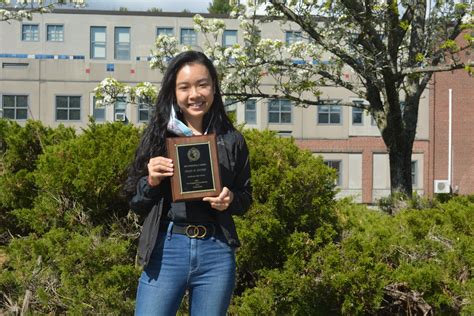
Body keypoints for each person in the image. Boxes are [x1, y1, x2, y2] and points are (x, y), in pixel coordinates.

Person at [126, 50, 252, 315]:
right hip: (167, 248)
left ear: (214, 88)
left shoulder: (232, 140)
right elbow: (136, 202)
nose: (194, 94)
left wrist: (230, 200)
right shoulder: (159, 138)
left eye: (202, 84)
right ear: (174, 93)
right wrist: (151, 180)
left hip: (216, 251)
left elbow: (245, 198)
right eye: (185, 87)